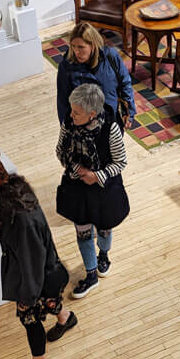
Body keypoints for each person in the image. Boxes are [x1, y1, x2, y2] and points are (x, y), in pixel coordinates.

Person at [0, 156, 76, 359]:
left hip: (39, 278)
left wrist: (27, 299)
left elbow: (31, 262)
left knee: (29, 318)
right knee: (50, 301)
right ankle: (65, 318)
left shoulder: (19, 220)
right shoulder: (17, 190)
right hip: (50, 269)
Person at [55, 83, 129, 298]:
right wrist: (78, 170)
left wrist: (96, 176)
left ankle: (103, 255)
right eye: (72, 110)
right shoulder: (69, 122)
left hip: (104, 188)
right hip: (77, 186)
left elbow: (121, 162)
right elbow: (60, 151)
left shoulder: (111, 128)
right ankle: (90, 275)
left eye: (77, 112)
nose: (71, 115)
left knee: (105, 227)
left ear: (92, 114)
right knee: (83, 231)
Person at [56, 22, 135, 128]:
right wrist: (66, 128)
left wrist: (129, 112)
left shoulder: (111, 57)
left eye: (81, 47)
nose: (76, 52)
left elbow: (125, 83)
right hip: (83, 127)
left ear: (93, 45)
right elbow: (63, 101)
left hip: (111, 122)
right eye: (73, 46)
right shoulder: (67, 67)